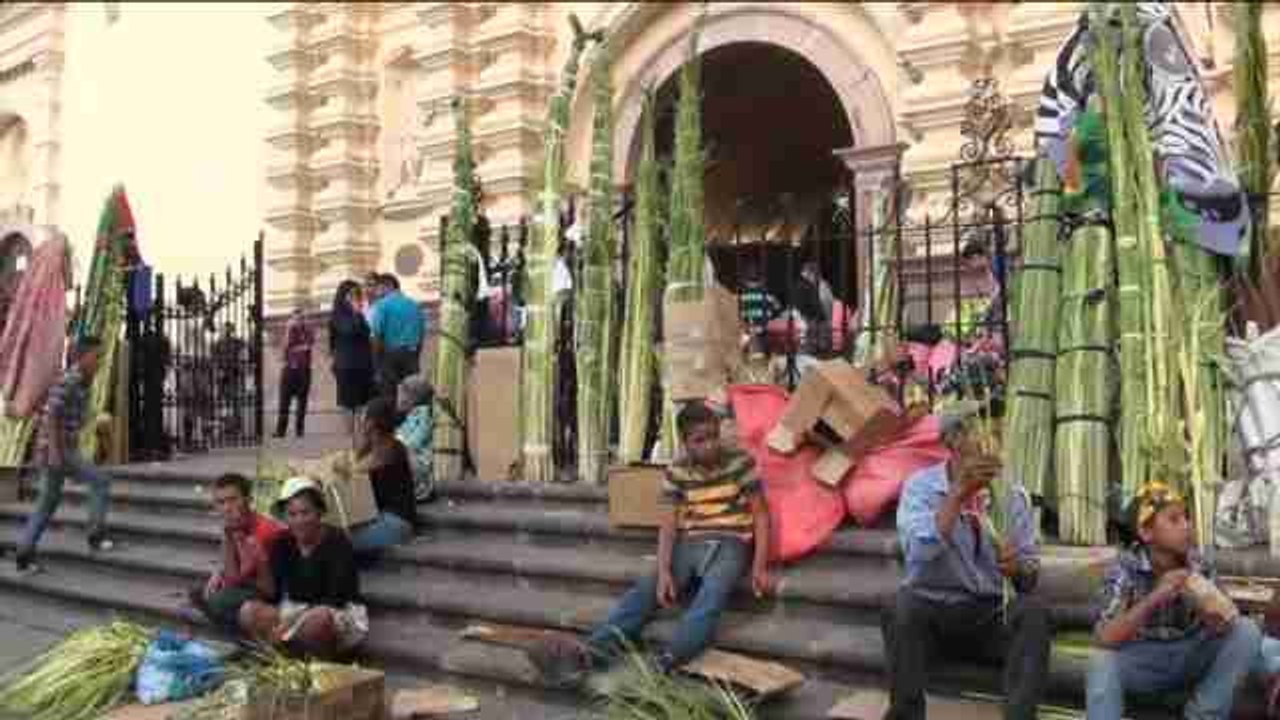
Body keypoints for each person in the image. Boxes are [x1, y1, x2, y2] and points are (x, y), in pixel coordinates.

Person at [533, 401, 772, 683]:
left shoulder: (740, 462)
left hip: (733, 542)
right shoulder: (676, 470)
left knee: (712, 596)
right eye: (699, 440)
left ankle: (667, 661)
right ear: (685, 443)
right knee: (644, 593)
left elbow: (761, 516)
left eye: (713, 436)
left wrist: (759, 567)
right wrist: (663, 572)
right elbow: (668, 524)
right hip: (692, 541)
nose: (709, 445)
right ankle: (590, 653)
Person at [883, 401, 1050, 720]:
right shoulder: (920, 487)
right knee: (899, 606)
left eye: (996, 428)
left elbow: (1029, 577)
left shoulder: (1012, 496)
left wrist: (1016, 568)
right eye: (980, 428)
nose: (992, 437)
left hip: (989, 615)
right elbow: (919, 556)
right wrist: (958, 494)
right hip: (933, 613)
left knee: (1034, 613)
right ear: (952, 441)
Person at [1086, 481, 1261, 720]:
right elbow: (1104, 638)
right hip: (1145, 661)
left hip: (1190, 656)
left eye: (1186, 518)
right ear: (1146, 533)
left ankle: (1202, 714)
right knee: (1101, 661)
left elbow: (1228, 623)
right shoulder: (1124, 568)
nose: (1187, 526)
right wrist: (1155, 597)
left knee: (1246, 631)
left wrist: (1210, 608)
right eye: (1174, 519)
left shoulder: (1198, 563)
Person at [15, 336, 113, 573]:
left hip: (63, 447)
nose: (99, 361)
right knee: (100, 480)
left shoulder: (84, 382)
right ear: (81, 356)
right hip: (58, 448)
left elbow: (71, 416)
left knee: (48, 502)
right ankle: (95, 535)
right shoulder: (70, 379)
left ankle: (24, 552)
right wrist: (57, 453)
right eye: (95, 356)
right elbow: (50, 415)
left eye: (100, 357)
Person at [239, 477, 367, 660]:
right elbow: (272, 595)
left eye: (306, 513)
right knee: (248, 611)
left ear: (319, 512)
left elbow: (335, 598)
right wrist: (260, 562)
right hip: (295, 608)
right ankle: (281, 663)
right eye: (292, 514)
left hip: (337, 613)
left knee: (318, 619)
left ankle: (321, 667)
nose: (299, 520)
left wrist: (292, 621)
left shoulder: (338, 541)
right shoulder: (282, 542)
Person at [187, 473, 284, 632]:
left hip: (269, 592)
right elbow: (230, 575)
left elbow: (243, 580)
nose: (226, 507)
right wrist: (218, 570)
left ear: (248, 499)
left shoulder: (264, 531)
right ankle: (234, 629)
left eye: (233, 499)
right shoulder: (232, 527)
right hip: (245, 584)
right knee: (198, 593)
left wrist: (233, 543)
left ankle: (241, 631)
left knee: (218, 601)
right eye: (221, 502)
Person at [349, 396, 417, 558]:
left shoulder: (389, 449)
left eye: (364, 416)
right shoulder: (378, 445)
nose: (361, 420)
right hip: (381, 518)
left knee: (337, 540)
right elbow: (353, 464)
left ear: (372, 422)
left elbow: (352, 471)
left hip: (395, 523)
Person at [329, 280, 374, 442]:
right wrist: (356, 311)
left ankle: (360, 440)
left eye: (357, 294)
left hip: (364, 365)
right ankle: (351, 440)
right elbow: (349, 331)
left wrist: (359, 312)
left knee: (363, 405)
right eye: (352, 294)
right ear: (343, 296)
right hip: (347, 367)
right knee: (348, 405)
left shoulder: (359, 314)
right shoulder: (337, 316)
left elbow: (366, 334)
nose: (357, 298)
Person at [368, 273, 424, 402]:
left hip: (390, 356)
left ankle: (393, 421)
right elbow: (421, 334)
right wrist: (415, 355)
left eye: (378, 288)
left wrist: (376, 363)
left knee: (389, 396)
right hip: (411, 354)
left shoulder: (382, 305)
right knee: (413, 395)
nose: (376, 293)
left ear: (388, 286)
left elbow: (376, 335)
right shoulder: (414, 305)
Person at [394, 374, 435, 502]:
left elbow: (414, 442)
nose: (398, 399)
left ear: (412, 398)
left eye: (401, 395)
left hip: (419, 467)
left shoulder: (422, 416)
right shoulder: (411, 416)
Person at [275, 308, 313, 439]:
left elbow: (308, 346)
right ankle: (280, 431)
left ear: (304, 319)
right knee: (284, 402)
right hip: (289, 370)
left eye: (300, 318)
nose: (297, 321)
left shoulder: (308, 331)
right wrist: (289, 332)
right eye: (295, 318)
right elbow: (285, 349)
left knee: (302, 402)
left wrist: (295, 349)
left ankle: (299, 430)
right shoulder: (288, 331)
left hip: (303, 370)